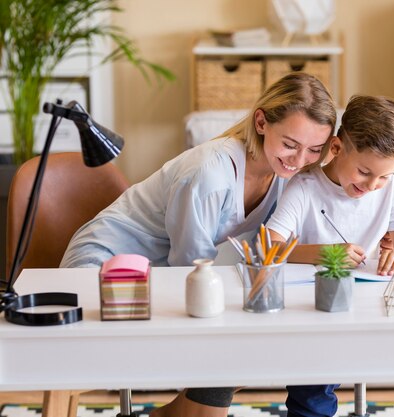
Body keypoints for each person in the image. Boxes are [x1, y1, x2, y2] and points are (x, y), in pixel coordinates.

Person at [60, 72, 338, 417]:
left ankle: (175, 413)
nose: (299, 161)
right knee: (234, 337)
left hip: (160, 273)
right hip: (106, 268)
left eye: (314, 150)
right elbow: (189, 267)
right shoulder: (210, 174)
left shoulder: (282, 176)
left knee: (261, 336)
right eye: (290, 144)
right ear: (262, 122)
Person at [266, 95, 394, 417]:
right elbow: (267, 248)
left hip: (372, 302)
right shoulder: (305, 187)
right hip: (320, 310)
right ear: (337, 148)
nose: (372, 185)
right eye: (365, 172)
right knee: (313, 391)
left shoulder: (389, 189)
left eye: (383, 176)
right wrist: (326, 254)